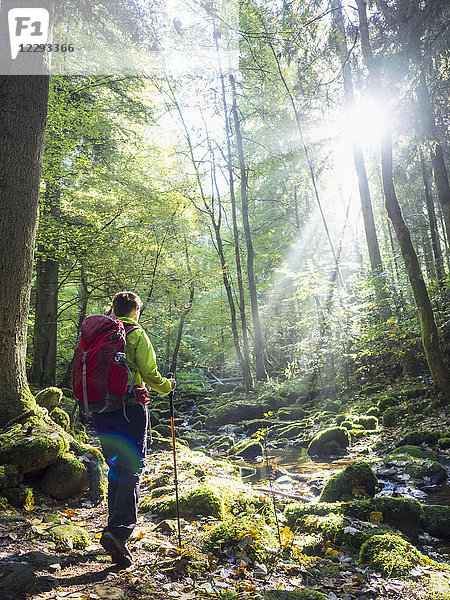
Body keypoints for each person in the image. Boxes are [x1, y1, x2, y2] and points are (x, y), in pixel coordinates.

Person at [92, 291, 176, 568]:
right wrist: (167, 387)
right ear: (135, 310)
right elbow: (150, 374)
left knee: (116, 466)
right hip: (129, 408)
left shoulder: (97, 333)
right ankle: (118, 531)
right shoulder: (135, 333)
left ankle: (111, 527)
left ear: (113, 308)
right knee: (132, 468)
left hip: (100, 409)